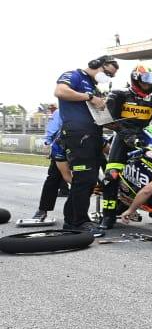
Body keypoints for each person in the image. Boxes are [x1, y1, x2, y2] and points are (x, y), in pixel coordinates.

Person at [98, 65, 152, 234]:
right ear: (136, 78)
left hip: (144, 136)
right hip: (121, 136)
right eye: (146, 79)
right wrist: (126, 135)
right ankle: (108, 216)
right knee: (111, 176)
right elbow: (106, 119)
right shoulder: (119, 94)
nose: (149, 84)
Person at [53, 56, 118, 232]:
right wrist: (89, 97)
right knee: (83, 179)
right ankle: (78, 222)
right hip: (77, 134)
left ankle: (73, 220)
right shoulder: (74, 75)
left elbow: (98, 115)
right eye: (107, 73)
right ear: (97, 65)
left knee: (88, 181)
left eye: (111, 76)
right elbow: (60, 92)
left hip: (93, 134)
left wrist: (117, 123)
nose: (108, 77)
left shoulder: (94, 86)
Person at [28, 110, 70, 224]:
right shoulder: (61, 111)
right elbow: (53, 128)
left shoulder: (91, 106)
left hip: (87, 146)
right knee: (53, 178)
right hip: (63, 146)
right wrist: (48, 143)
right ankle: (42, 210)